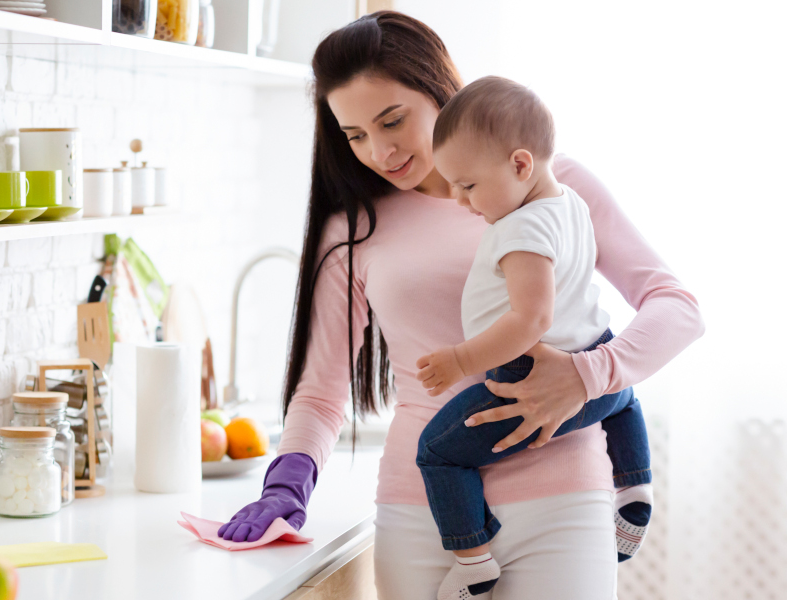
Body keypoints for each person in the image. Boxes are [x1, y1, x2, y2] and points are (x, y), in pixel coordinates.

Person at [216, 11, 704, 600]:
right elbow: (322, 392)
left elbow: (676, 306)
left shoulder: (548, 182)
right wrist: (285, 486)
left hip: (562, 501)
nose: (380, 150)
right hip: (421, 511)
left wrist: (586, 375)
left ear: (437, 87)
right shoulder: (354, 230)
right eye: (355, 135)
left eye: (392, 119)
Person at [412, 75, 654, 600]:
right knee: (623, 396)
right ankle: (635, 486)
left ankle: (473, 562)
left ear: (520, 164)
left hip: (528, 378)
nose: (458, 198)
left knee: (437, 453)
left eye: (468, 185)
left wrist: (459, 359)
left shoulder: (521, 229)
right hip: (595, 353)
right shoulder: (570, 204)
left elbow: (530, 320)